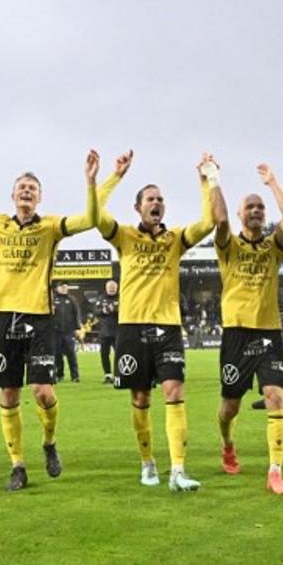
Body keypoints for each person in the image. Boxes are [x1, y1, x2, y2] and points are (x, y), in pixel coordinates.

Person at [0, 145, 101, 491]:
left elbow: (89, 219)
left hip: (40, 318)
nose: (27, 191)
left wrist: (91, 183)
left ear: (40, 197)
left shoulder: (50, 227)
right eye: (22, 187)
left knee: (43, 393)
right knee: (9, 394)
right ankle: (17, 465)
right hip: (4, 319)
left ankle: (49, 442)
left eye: (32, 187)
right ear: (13, 195)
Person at [95, 151, 218, 490]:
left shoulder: (175, 239)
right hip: (131, 327)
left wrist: (205, 181)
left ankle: (178, 470)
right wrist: (114, 177)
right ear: (138, 207)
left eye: (161, 199)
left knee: (174, 391)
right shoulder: (124, 236)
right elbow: (95, 215)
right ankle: (148, 463)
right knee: (140, 399)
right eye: (151, 198)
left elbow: (208, 223)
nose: (157, 203)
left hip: (167, 328)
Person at [214, 162, 283, 495]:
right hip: (235, 333)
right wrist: (212, 179)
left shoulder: (273, 247)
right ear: (239, 213)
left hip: (268, 333)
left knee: (275, 396)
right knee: (229, 408)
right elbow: (218, 219)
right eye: (250, 206)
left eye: (260, 207)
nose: (256, 211)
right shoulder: (229, 246)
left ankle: (275, 471)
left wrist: (272, 182)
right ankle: (227, 443)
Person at [52, 284, 82, 382]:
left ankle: (75, 376)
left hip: (69, 331)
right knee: (57, 355)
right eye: (62, 287)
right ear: (57, 288)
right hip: (56, 332)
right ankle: (59, 375)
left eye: (65, 287)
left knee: (71, 354)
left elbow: (76, 313)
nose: (64, 289)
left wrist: (77, 328)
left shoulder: (72, 300)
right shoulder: (53, 300)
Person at [95, 280, 119, 384]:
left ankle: (119, 375)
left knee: (119, 354)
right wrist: (103, 311)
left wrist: (115, 309)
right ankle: (108, 375)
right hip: (104, 332)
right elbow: (95, 310)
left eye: (113, 287)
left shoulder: (121, 298)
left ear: (117, 288)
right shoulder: (101, 299)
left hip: (118, 332)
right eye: (110, 287)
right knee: (104, 354)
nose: (112, 289)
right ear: (106, 288)